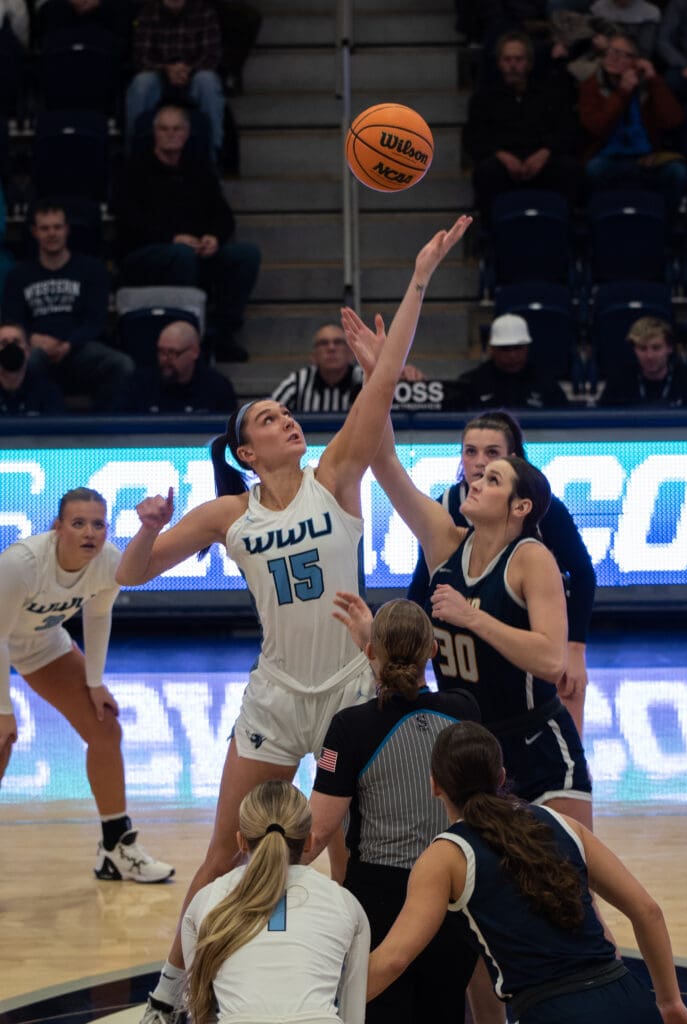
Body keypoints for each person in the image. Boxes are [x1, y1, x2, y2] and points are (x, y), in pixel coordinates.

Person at [116, 214, 472, 1024]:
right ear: (249, 451)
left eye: (287, 415)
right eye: (271, 421)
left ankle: (342, 996)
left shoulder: (336, 475)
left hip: (352, 685)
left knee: (338, 855)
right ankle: (169, 997)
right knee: (221, 852)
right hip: (277, 692)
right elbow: (132, 577)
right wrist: (144, 526)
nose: (288, 421)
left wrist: (418, 279)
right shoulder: (226, 515)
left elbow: (377, 393)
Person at [344, 303, 591, 830]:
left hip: (535, 738)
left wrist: (473, 617)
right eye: (474, 467)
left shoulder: (532, 558)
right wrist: (377, 378)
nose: (475, 477)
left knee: (574, 890)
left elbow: (550, 661)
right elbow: (383, 461)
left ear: (519, 506)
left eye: (493, 477)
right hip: (466, 742)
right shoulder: (442, 540)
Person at [368, 721, 687, 1024]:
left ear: (434, 784)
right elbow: (647, 911)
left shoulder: (445, 857)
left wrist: (330, 1003)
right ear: (501, 777)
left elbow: (394, 958)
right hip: (627, 997)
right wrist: (669, 1002)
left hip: (553, 1011)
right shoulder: (562, 823)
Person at [306, 596, 482, 1024]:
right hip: (455, 897)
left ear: (369, 652)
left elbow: (316, 834)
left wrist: (256, 879)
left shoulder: (350, 727)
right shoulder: (464, 712)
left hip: (379, 903)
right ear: (433, 651)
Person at [0, 487, 174, 882]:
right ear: (58, 528)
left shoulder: (109, 562)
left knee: (105, 727)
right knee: (2, 741)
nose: (89, 533)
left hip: (42, 644)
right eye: (78, 523)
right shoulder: (21, 563)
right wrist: (3, 710)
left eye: (97, 524)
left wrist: (95, 683)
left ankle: (116, 848)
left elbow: (97, 617)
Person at [406, 410, 596, 736]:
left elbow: (583, 574)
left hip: (530, 621)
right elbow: (422, 585)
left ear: (512, 459)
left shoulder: (540, 506)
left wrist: (575, 650)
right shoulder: (446, 507)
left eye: (492, 453)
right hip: (468, 634)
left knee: (567, 684)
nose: (479, 462)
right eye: (470, 451)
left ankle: (575, 768)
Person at [182, 779, 370, 1024]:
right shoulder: (346, 904)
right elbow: (353, 1013)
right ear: (309, 842)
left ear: (241, 841)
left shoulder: (205, 901)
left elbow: (199, 1011)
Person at [114, 103, 261, 363]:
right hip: (146, 255)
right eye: (164, 129)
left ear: (187, 133)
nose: (170, 134)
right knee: (181, 255)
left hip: (194, 251)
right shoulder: (133, 169)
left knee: (246, 255)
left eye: (176, 129)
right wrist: (172, 238)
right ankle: (190, 336)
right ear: (154, 133)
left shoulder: (198, 167)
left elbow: (223, 215)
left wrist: (214, 237)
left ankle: (222, 331)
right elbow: (129, 222)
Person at [1, 202, 134, 411]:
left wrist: (68, 344)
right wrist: (31, 338)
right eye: (45, 228)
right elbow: (13, 319)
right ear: (34, 232)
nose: (51, 233)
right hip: (37, 348)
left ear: (67, 230)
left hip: (80, 348)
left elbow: (96, 321)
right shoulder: (19, 275)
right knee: (26, 360)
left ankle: (107, 429)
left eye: (57, 227)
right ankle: (30, 424)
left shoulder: (92, 269)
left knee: (122, 365)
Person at [463, 31, 583, 219]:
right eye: (507, 59)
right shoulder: (484, 97)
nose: (512, 66)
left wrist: (545, 153)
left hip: (542, 158)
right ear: (499, 63)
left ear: (529, 63)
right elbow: (474, 137)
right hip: (503, 160)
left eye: (518, 59)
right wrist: (502, 156)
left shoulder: (549, 93)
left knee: (569, 170)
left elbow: (567, 130)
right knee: (486, 173)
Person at [578, 32, 687, 211]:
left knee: (677, 171)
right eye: (611, 51)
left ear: (635, 62)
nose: (613, 57)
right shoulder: (591, 86)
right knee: (593, 169)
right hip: (608, 157)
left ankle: (668, 223)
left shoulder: (648, 85)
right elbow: (596, 127)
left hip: (647, 157)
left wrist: (653, 79)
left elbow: (673, 121)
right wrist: (622, 92)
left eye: (622, 54)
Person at [125, 0, 224, 156]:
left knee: (208, 81)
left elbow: (212, 55)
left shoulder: (204, 12)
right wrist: (166, 70)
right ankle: (136, 152)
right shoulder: (148, 13)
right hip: (159, 76)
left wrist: (188, 70)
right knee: (141, 83)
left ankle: (212, 152)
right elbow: (141, 57)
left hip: (193, 76)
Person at [113, 319, 237, 414]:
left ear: (194, 352)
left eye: (172, 353)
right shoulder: (138, 384)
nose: (164, 359)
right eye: (161, 352)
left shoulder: (218, 387)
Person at [457, 313, 569, 410]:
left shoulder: (546, 384)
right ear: (492, 349)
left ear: (527, 348)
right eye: (505, 348)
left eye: (518, 348)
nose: (512, 355)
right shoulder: (471, 383)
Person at [599, 316, 687, 408]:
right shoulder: (618, 381)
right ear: (634, 350)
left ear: (669, 348)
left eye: (656, 348)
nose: (649, 356)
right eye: (643, 348)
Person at [271, 322, 365, 413]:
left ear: (351, 353)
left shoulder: (365, 380)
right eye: (323, 343)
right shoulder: (299, 381)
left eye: (338, 342)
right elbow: (267, 411)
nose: (331, 348)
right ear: (313, 356)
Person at [0, 322, 65, 415]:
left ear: (28, 351)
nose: (11, 348)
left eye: (16, 342)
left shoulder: (47, 392)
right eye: (4, 343)